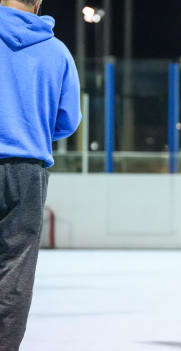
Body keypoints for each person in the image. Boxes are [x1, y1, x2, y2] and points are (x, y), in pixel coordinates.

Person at [0, 1, 82, 350]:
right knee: (14, 270)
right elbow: (67, 121)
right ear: (38, 3)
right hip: (26, 170)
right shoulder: (57, 51)